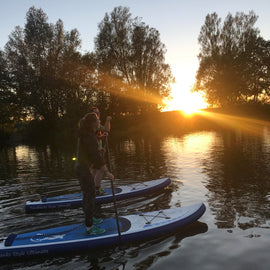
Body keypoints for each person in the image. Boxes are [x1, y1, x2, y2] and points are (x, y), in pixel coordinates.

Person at [75, 112, 114, 235]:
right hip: (83, 169)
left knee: (88, 195)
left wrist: (98, 148)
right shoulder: (89, 136)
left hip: (81, 168)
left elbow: (90, 151)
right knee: (90, 196)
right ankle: (89, 228)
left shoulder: (86, 134)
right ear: (92, 123)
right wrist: (107, 172)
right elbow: (96, 157)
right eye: (97, 121)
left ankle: (90, 219)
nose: (99, 123)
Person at [90, 107, 112, 195]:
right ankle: (96, 190)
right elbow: (106, 129)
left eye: (98, 113)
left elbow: (105, 130)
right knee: (100, 169)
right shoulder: (92, 124)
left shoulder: (95, 125)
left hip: (96, 151)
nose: (97, 115)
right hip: (94, 152)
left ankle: (92, 189)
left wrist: (101, 137)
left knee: (94, 171)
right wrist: (108, 120)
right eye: (95, 113)